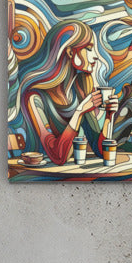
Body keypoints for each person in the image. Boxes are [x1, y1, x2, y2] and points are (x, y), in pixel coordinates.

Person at [16, 18, 110, 165]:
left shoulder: (79, 90)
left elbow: (101, 151)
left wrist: (109, 115)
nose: (96, 56)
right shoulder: (34, 98)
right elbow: (58, 156)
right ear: (70, 52)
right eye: (89, 48)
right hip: (39, 177)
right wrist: (79, 112)